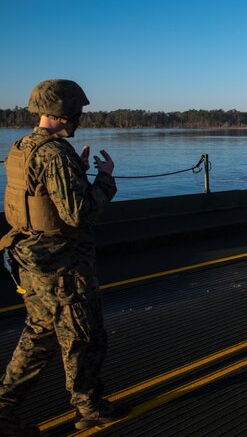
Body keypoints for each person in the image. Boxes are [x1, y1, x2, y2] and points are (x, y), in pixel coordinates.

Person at [0, 79, 129, 436]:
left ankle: (4, 410)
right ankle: (89, 406)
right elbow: (77, 213)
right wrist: (104, 180)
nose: (79, 119)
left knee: (38, 336)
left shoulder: (23, 146)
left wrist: (79, 174)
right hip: (64, 266)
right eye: (78, 112)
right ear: (65, 111)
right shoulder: (55, 153)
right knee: (84, 336)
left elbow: (40, 198)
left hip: (31, 260)